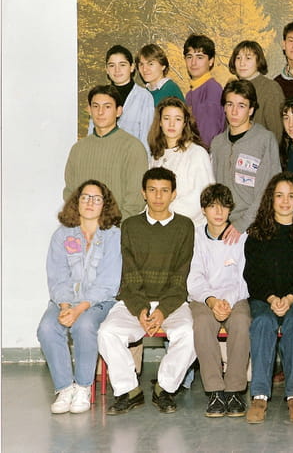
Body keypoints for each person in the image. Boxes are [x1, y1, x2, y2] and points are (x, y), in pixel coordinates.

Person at [98, 167, 196, 415]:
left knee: (190, 333)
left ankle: (164, 388)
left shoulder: (184, 226)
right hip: (135, 301)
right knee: (107, 332)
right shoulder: (130, 226)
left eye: (164, 190)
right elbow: (129, 275)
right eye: (152, 190)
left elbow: (181, 277)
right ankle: (129, 391)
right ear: (143, 193)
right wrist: (141, 309)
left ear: (173, 194)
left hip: (171, 303)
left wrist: (162, 311)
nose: (158, 196)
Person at [37, 180, 122, 414]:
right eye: (85, 197)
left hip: (100, 302)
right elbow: (57, 277)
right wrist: (66, 306)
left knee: (84, 325)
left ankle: (83, 387)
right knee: (47, 327)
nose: (90, 202)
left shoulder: (113, 236)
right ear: (77, 202)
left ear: (105, 204)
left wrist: (78, 310)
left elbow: (108, 282)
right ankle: (65, 388)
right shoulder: (62, 235)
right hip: (65, 301)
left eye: (96, 198)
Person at [244, 172, 293, 424]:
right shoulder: (257, 234)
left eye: (291, 196)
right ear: (270, 199)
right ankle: (259, 395)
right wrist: (272, 297)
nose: (285, 201)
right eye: (279, 196)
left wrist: (290, 297)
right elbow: (252, 274)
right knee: (263, 322)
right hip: (264, 298)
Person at [187, 183, 250, 419]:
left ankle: (234, 390)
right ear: (204, 209)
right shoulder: (195, 236)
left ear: (230, 209)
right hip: (204, 298)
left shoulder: (241, 236)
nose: (219, 212)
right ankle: (215, 391)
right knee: (202, 324)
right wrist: (212, 301)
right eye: (213, 206)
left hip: (235, 297)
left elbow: (244, 279)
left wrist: (227, 302)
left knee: (242, 323)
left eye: (224, 206)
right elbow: (194, 277)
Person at [210, 79, 281, 242]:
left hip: (254, 225)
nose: (234, 111)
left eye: (241, 106)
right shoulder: (217, 143)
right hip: (222, 224)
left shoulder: (264, 139)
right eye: (230, 104)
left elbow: (269, 188)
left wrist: (243, 223)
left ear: (251, 110)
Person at [64, 85, 148, 219]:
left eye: (107, 107)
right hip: (82, 227)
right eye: (95, 106)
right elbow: (70, 193)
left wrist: (114, 227)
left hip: (118, 227)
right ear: (89, 110)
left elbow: (135, 201)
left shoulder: (133, 147)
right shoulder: (78, 149)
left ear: (118, 111)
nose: (100, 112)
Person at [148, 97, 214, 226]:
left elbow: (201, 199)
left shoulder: (197, 153)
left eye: (177, 119)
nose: (171, 124)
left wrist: (164, 216)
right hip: (160, 223)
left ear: (184, 123)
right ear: (160, 122)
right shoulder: (156, 156)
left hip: (189, 226)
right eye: (167, 118)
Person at [89, 45, 154, 152]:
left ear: (132, 67)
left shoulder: (144, 97)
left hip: (132, 158)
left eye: (122, 65)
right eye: (112, 65)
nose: (117, 70)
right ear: (106, 69)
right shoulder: (99, 97)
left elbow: (146, 139)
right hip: (102, 156)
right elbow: (91, 134)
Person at [228, 40, 285, 143]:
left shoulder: (270, 88)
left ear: (258, 62)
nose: (242, 63)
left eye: (248, 58)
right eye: (238, 58)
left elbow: (277, 132)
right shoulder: (232, 88)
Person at [184, 34, 225, 146]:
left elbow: (208, 137)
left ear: (211, 61)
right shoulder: (190, 94)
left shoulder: (212, 90)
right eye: (189, 57)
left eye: (200, 57)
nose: (193, 63)